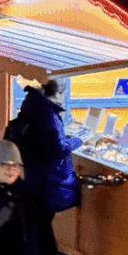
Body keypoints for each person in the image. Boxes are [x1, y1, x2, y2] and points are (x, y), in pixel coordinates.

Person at [9, 81, 81, 219]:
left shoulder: (31, 107)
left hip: (31, 177)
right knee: (41, 225)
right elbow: (59, 148)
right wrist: (77, 140)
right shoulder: (48, 115)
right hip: (48, 182)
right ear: (58, 94)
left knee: (34, 222)